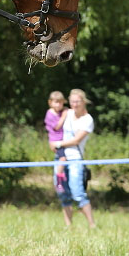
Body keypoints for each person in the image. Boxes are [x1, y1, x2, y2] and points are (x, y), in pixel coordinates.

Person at [50, 88, 96, 228]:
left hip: (75, 159)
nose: (74, 104)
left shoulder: (88, 120)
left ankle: (92, 225)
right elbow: (53, 124)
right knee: (62, 192)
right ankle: (68, 226)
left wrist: (57, 143)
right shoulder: (67, 113)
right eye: (72, 101)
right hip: (60, 158)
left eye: (77, 101)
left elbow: (76, 140)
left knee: (78, 193)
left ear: (84, 102)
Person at [44, 91, 69, 198]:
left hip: (62, 141)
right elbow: (57, 127)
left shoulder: (60, 112)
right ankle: (58, 179)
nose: (58, 105)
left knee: (62, 159)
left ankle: (61, 176)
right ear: (50, 103)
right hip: (56, 142)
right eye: (56, 102)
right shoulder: (50, 114)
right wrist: (64, 116)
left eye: (61, 103)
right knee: (62, 158)